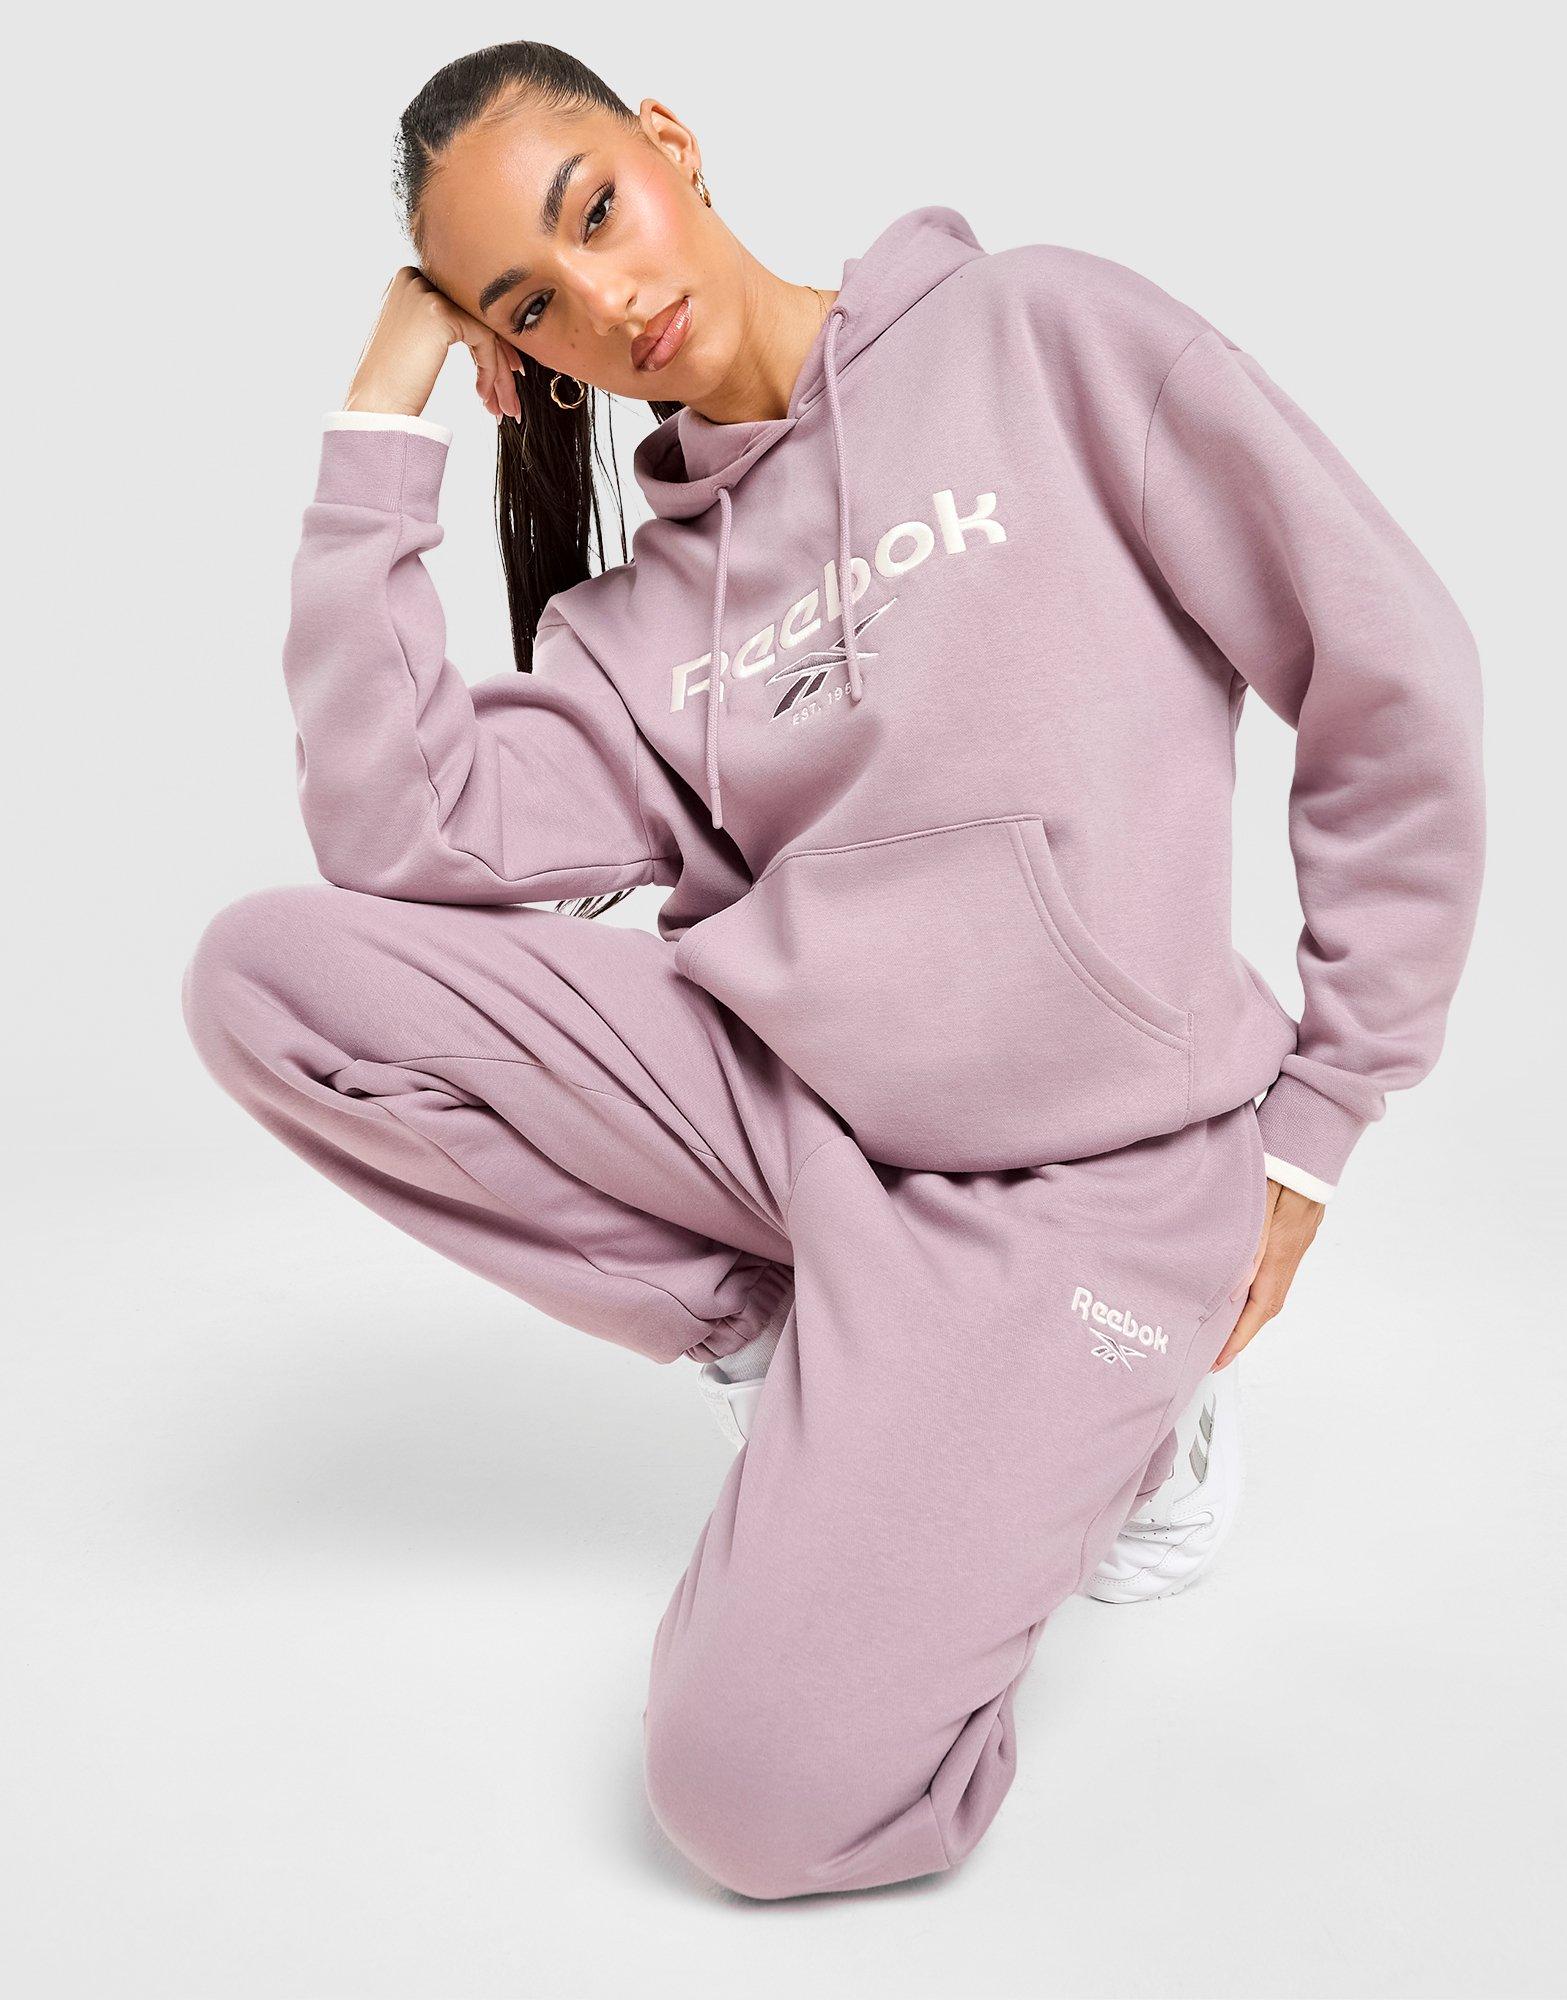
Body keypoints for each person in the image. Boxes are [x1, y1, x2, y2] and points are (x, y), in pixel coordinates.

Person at [180, 39, 1486, 1900]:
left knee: (753, 1800)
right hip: (807, 1132)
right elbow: (401, 833)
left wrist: (1322, 1118)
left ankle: (1116, 1436)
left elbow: (1391, 670)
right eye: (529, 304)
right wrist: (385, 413)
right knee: (270, 982)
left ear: (671, 143)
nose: (605, 299)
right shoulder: (628, 634)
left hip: (1093, 1189)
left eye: (597, 211)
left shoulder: (1042, 336)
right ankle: (791, 1340)